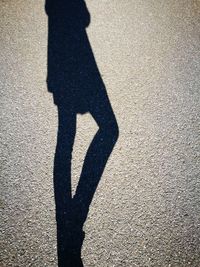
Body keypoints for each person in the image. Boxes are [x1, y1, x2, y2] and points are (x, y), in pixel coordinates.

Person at [45, 1, 119, 266]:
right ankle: (74, 215)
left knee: (66, 135)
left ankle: (67, 220)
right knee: (109, 129)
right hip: (78, 61)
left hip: (60, 61)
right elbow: (81, 17)